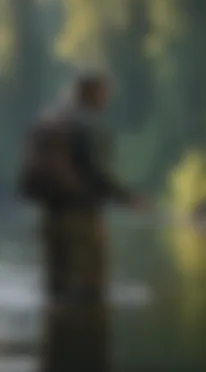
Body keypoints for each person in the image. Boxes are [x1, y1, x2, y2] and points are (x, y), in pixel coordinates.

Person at [18, 71, 146, 303]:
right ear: (93, 94)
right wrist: (127, 198)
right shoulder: (86, 124)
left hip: (51, 216)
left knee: (56, 289)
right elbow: (95, 172)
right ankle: (84, 337)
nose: (107, 100)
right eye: (104, 93)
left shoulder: (51, 119)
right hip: (81, 219)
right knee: (90, 291)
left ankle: (56, 337)